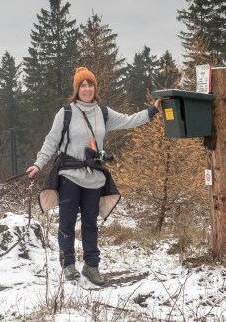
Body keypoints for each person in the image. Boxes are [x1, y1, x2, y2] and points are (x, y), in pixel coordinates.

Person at [26, 66, 162, 286]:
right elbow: (51, 141)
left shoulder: (103, 113)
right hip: (69, 175)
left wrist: (153, 110)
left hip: (94, 177)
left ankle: (91, 266)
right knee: (67, 222)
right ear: (76, 89)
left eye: (90, 85)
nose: (87, 89)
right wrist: (38, 164)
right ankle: (68, 264)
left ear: (95, 88)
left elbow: (129, 120)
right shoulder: (66, 113)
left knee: (90, 223)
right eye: (83, 85)